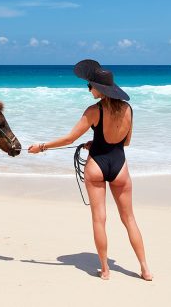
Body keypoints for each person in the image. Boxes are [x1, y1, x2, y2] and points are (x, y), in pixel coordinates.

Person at [28, 59, 153, 281]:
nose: (88, 89)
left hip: (96, 166)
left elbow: (70, 138)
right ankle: (145, 269)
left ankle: (105, 270)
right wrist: (98, 143)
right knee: (129, 219)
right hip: (120, 166)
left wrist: (42, 147)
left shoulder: (94, 111)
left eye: (90, 86)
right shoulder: (128, 109)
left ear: (100, 89)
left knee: (99, 219)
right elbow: (125, 143)